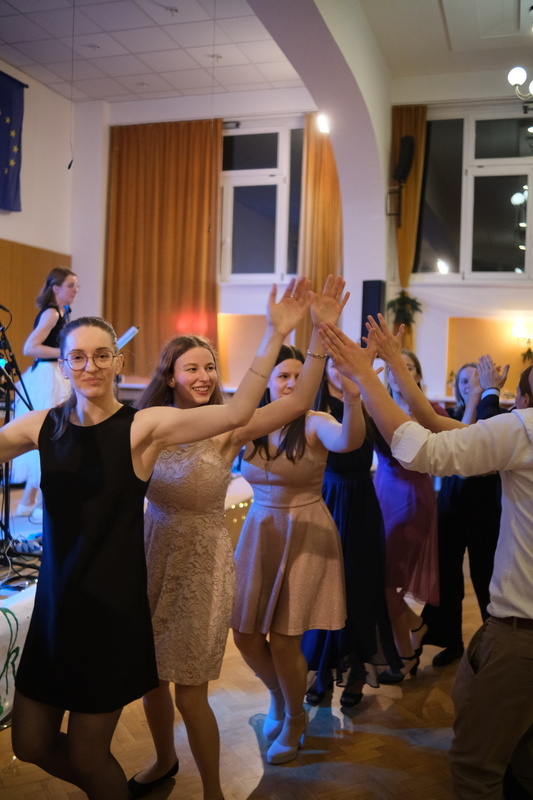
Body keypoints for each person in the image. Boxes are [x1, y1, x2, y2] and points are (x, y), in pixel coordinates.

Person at [4, 286, 310, 800]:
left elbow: (237, 413)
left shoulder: (142, 427)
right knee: (30, 744)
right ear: (64, 366)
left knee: (87, 754)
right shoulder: (43, 426)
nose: (90, 366)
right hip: (56, 609)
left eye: (102, 355)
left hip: (110, 612)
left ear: (117, 361)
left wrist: (276, 332)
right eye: (78, 357)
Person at [127, 275, 348, 799]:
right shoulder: (147, 424)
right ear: (170, 375)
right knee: (149, 681)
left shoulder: (229, 425)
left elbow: (298, 401)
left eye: (210, 367)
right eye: (192, 368)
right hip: (151, 554)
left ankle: (213, 792)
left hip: (202, 563)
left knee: (190, 693)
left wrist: (315, 335)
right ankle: (163, 760)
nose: (204, 376)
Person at [319, 315, 533, 800]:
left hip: (521, 633)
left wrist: (367, 375)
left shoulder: (525, 430)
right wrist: (396, 367)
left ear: (523, 401)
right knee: (523, 762)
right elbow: (441, 426)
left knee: (477, 769)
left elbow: (422, 451)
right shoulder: (519, 435)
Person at [230, 320, 366, 766]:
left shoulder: (314, 421)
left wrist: (352, 398)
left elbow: (348, 440)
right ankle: (279, 695)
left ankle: (294, 718)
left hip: (305, 529)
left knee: (286, 639)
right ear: (268, 382)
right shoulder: (250, 423)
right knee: (245, 634)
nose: (290, 383)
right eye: (283, 375)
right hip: (259, 529)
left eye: (297, 375)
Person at [301, 358, 401, 706]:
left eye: (348, 363)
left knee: (361, 586)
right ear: (324, 369)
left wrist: (379, 394)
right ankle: (321, 673)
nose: (341, 369)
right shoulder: (314, 409)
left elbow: (393, 449)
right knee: (323, 587)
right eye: (335, 363)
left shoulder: (364, 402)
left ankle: (357, 672)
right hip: (327, 499)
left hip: (362, 503)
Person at [421, 359, 506, 667]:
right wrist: (472, 402)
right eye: (465, 382)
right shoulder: (452, 416)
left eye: (477, 380)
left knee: (486, 577)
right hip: (452, 504)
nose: (471, 386)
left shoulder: (497, 416)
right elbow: (463, 449)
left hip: (485, 508)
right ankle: (452, 642)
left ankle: (492, 646)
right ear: (457, 388)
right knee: (448, 577)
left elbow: (483, 457)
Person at [371, 348, 445, 683]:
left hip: (411, 499)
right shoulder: (376, 406)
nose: (401, 371)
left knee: (387, 584)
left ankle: (407, 648)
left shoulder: (431, 412)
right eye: (394, 366)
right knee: (383, 582)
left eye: (409, 366)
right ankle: (409, 643)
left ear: (417, 375)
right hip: (381, 494)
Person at [13, 267, 80, 520]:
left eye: (76, 286)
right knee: (49, 436)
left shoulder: (63, 312)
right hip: (48, 377)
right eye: (71, 285)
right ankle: (42, 502)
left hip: (54, 374)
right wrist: (65, 353)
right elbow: (30, 347)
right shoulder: (51, 313)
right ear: (56, 288)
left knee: (47, 435)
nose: (75, 290)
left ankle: (28, 501)